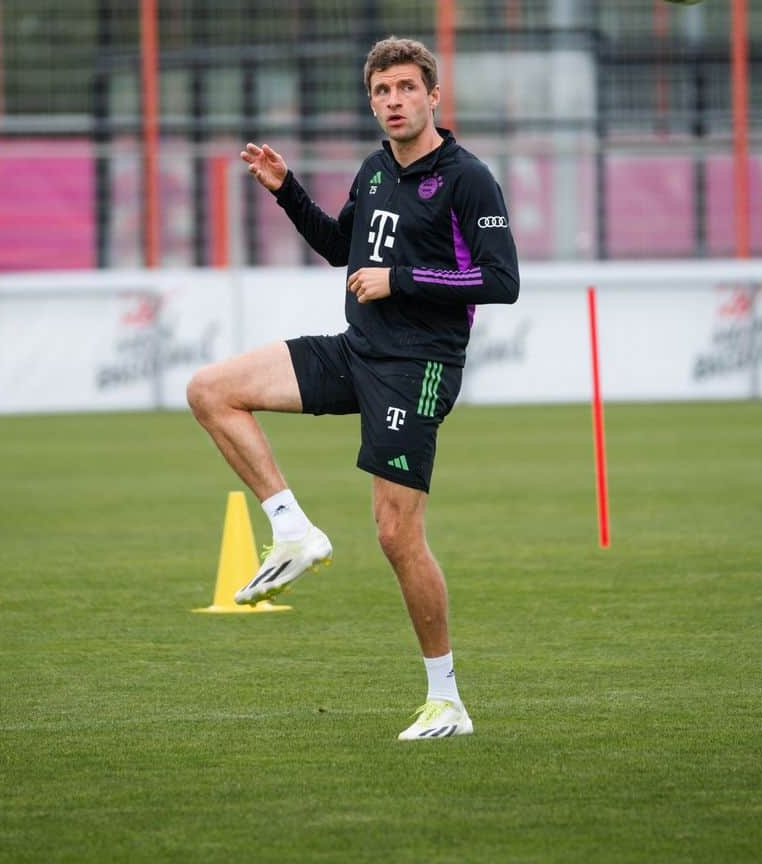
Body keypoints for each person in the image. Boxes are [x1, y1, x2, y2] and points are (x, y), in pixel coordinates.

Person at [187, 36, 520, 741]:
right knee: (210, 389)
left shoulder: (468, 178)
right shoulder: (374, 172)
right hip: (355, 350)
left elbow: (502, 281)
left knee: (397, 536)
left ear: (433, 95)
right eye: (380, 91)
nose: (393, 101)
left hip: (418, 366)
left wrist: (402, 280)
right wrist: (287, 190)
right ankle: (293, 531)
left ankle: (447, 700)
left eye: (405, 88)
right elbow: (343, 249)